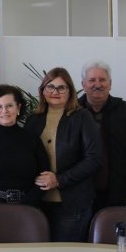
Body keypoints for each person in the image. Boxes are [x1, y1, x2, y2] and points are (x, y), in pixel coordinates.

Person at [25, 68, 102, 242]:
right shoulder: (33, 120)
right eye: (50, 87)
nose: (55, 92)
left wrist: (59, 179)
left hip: (72, 204)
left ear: (70, 92)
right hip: (38, 202)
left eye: (61, 88)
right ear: (43, 90)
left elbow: (94, 159)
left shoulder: (82, 117)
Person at [78, 60, 126, 211]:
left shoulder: (125, 111)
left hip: (118, 193)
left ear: (110, 83)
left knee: (113, 235)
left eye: (102, 80)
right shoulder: (73, 113)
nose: (97, 84)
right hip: (80, 193)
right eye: (92, 80)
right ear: (83, 84)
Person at [0, 84, 49, 208]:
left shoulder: (33, 139)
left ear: (18, 107)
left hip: (28, 209)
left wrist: (26, 204)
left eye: (9, 106)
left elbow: (44, 177)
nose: (4, 111)